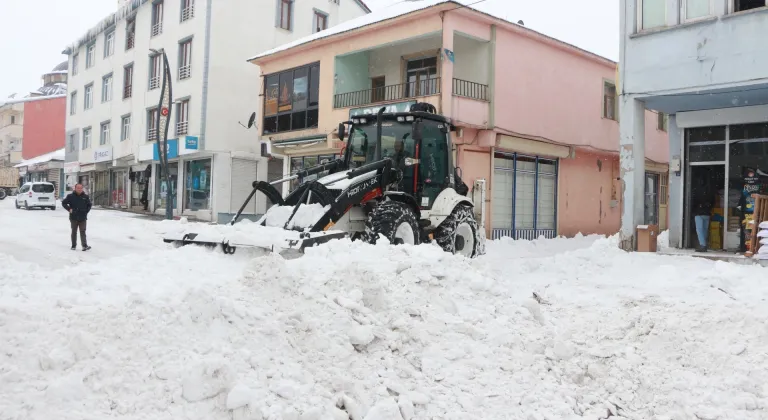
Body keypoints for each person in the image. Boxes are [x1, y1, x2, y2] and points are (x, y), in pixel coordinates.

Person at [62, 183, 92, 251]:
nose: (79, 189)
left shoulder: (85, 197)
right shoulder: (70, 196)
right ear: (75, 188)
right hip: (73, 217)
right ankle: (73, 245)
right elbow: (64, 203)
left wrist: (86, 211)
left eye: (81, 188)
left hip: (83, 217)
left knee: (83, 231)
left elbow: (89, 205)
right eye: (78, 188)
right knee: (74, 231)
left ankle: (84, 246)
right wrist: (69, 209)